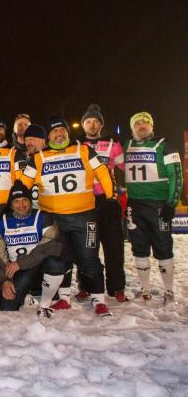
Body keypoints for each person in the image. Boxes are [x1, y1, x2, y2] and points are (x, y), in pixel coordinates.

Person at [20, 115, 117, 316]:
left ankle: (99, 300)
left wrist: (111, 198)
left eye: (63, 130)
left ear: (68, 133)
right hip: (54, 219)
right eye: (55, 131)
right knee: (60, 259)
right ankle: (64, 298)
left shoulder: (84, 150)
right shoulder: (38, 158)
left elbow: (103, 173)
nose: (59, 133)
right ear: (48, 136)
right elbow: (22, 186)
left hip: (84, 217)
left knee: (88, 259)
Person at [124, 111, 182, 303]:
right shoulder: (127, 145)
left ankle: (169, 291)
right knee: (139, 248)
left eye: (145, 122)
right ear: (132, 128)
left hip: (158, 205)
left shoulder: (165, 145)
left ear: (152, 125)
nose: (141, 125)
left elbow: (176, 176)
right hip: (134, 205)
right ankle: (145, 289)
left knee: (164, 247)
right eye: (137, 123)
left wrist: (171, 203)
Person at [0, 182, 69, 318]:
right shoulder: (1, 223)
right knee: (5, 309)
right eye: (16, 201)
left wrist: (21, 263)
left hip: (40, 269)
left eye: (25, 200)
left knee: (55, 263)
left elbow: (50, 247)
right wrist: (4, 280)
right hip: (17, 273)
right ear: (11, 204)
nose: (21, 205)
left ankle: (44, 305)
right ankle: (26, 294)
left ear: (30, 201)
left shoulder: (43, 218)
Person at [76, 104, 127, 302]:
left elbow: (125, 168)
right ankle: (86, 286)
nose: (92, 125)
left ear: (101, 125)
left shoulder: (113, 143)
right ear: (83, 125)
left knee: (114, 246)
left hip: (108, 201)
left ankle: (117, 288)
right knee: (87, 246)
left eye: (95, 122)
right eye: (88, 122)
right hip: (86, 201)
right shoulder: (77, 145)